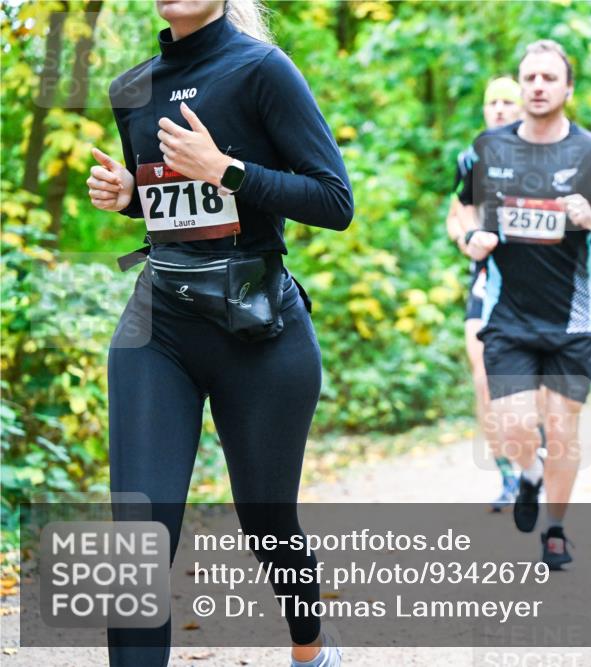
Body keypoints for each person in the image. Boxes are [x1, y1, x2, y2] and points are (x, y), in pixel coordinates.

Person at [86, 1, 352, 665]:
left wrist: (226, 168)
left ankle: (310, 645)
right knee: (136, 539)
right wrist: (131, 196)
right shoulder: (131, 89)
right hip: (160, 326)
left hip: (259, 329)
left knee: (267, 524)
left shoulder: (263, 69)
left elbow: (333, 201)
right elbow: (174, 213)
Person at [457, 39, 591, 569]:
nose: (537, 87)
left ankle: (555, 530)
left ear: (567, 88)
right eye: (529, 78)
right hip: (508, 315)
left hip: (573, 319)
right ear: (521, 86)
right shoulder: (489, 148)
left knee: (562, 432)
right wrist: (473, 240)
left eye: (548, 78)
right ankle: (528, 477)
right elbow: (464, 211)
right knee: (514, 425)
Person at [445, 76, 525, 512]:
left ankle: (535, 453)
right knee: (484, 379)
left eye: (506, 102)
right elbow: (456, 215)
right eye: (491, 102)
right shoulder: (470, 159)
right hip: (486, 280)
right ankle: (507, 475)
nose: (498, 109)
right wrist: (468, 238)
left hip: (536, 286)